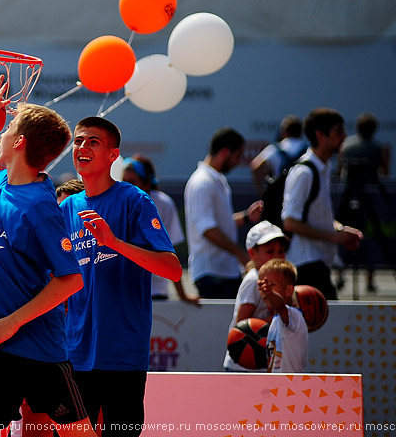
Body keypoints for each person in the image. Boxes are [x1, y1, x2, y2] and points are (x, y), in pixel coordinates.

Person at [0, 74, 96, 437]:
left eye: (8, 129)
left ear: (19, 143)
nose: (2, 132)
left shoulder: (40, 207)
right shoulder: (2, 183)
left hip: (35, 344)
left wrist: (14, 322)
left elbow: (71, 279)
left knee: (78, 432)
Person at [58, 117, 182, 437]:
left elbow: (172, 268)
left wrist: (113, 243)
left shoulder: (134, 200)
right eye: (79, 141)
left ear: (114, 155)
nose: (82, 147)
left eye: (93, 142)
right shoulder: (66, 208)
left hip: (122, 356)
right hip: (75, 353)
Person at [282, 108, 363, 300]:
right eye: (338, 130)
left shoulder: (322, 168)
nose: (344, 136)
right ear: (320, 134)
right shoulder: (304, 172)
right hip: (306, 265)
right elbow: (290, 222)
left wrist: (340, 230)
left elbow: (316, 216)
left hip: (317, 264)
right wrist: (334, 237)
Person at [184, 127, 263, 299]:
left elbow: (216, 223)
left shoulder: (216, 180)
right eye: (238, 156)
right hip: (212, 274)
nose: (239, 161)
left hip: (224, 272)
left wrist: (246, 217)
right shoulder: (202, 183)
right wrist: (241, 254)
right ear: (225, 152)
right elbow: (207, 229)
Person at [122, 154, 200, 305]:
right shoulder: (117, 203)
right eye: (124, 182)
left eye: (132, 182)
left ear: (147, 184)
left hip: (155, 291)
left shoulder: (164, 204)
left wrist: (182, 294)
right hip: (124, 291)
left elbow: (170, 251)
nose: (126, 187)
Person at [336, 111, 390, 293]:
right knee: (369, 237)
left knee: (344, 234)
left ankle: (340, 276)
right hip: (368, 198)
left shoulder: (346, 146)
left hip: (348, 196)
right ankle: (370, 280)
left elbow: (339, 170)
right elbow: (385, 171)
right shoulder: (377, 147)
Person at [223, 220, 287, 372]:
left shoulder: (279, 279)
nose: (277, 257)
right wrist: (280, 318)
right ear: (253, 253)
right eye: (270, 252)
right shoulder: (253, 280)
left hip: (263, 363)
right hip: (243, 366)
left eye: (281, 251)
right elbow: (242, 327)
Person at [257, 259, 308, 373]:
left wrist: (270, 293)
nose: (265, 290)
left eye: (271, 285)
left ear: (288, 290)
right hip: (277, 385)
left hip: (292, 384)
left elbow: (280, 306)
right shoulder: (276, 320)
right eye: (262, 285)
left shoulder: (293, 316)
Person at [249, 115, 308, 197]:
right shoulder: (308, 150)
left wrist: (263, 192)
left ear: (284, 132)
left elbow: (255, 166)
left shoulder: (274, 149)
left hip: (281, 197)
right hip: (303, 195)